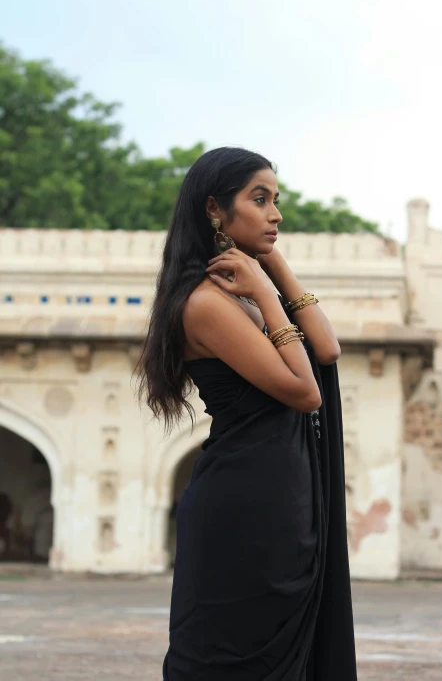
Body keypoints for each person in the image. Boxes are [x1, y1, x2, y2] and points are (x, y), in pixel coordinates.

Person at [137, 147, 358, 680]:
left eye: (276, 201)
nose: (275, 213)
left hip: (282, 499)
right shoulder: (205, 303)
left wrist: (273, 265)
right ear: (215, 209)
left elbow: (327, 351)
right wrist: (263, 286)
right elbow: (306, 391)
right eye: (259, 200)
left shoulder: (244, 292)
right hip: (245, 507)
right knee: (237, 659)